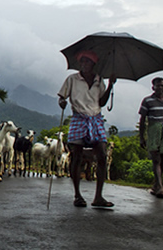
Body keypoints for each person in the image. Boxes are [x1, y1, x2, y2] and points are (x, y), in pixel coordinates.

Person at [58, 50, 116, 208]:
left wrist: (111, 85)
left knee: (102, 155)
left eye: (87, 61)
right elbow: (61, 97)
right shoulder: (72, 79)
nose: (84, 64)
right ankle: (77, 195)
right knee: (76, 157)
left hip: (96, 119)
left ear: (93, 64)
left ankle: (98, 197)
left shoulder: (99, 80)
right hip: (79, 118)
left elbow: (102, 102)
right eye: (82, 61)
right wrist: (62, 102)